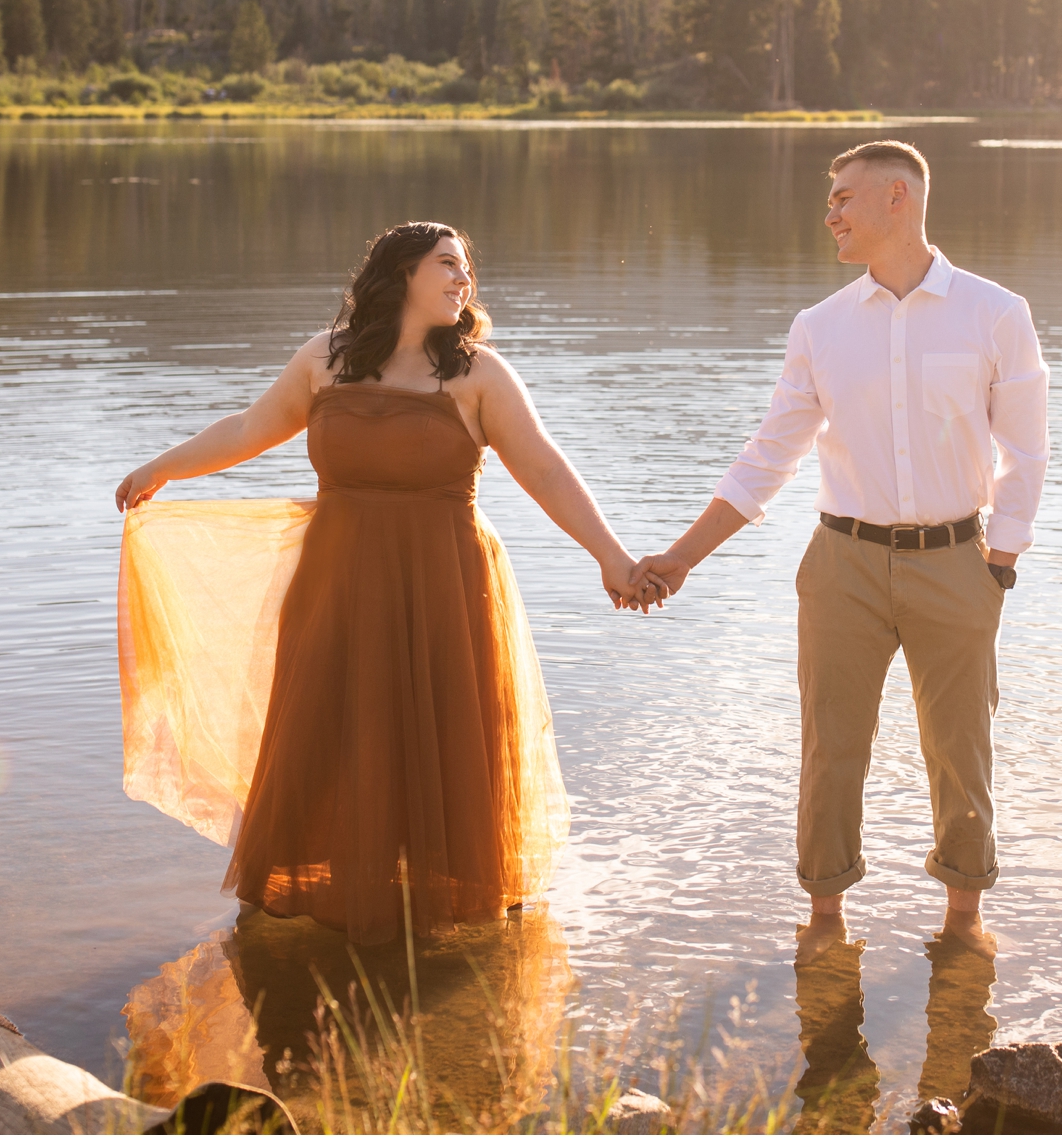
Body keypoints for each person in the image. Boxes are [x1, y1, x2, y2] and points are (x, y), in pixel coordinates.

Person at [115, 221, 656, 942]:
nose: (464, 280)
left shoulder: (478, 375)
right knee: (336, 729)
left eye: (466, 269)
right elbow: (250, 425)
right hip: (338, 582)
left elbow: (546, 470)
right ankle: (320, 888)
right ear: (401, 273)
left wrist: (611, 557)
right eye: (447, 265)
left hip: (447, 585)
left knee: (445, 733)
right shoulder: (325, 359)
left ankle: (448, 895)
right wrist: (161, 467)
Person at [633, 140, 1048, 956]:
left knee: (962, 746)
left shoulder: (996, 312)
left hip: (957, 560)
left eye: (842, 199)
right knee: (831, 746)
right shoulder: (819, 327)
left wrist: (998, 558)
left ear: (898, 197)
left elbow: (1025, 453)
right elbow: (768, 458)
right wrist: (681, 556)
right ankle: (825, 920)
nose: (829, 215)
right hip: (842, 564)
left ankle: (963, 923)